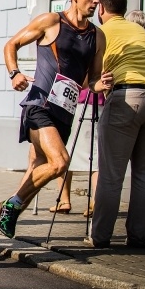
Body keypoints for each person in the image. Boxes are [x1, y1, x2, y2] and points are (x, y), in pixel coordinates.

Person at [0, 0, 110, 260]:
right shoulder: (51, 22)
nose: (96, 1)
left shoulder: (98, 36)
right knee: (60, 163)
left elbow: (89, 81)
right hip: (39, 105)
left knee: (34, 178)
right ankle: (10, 206)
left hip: (65, 113)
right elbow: (11, 45)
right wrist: (14, 73)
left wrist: (100, 84)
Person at [90, 0, 145, 248]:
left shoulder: (102, 32)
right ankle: (138, 236)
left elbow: (94, 72)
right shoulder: (138, 30)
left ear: (101, 9)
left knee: (111, 175)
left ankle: (100, 237)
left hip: (125, 98)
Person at [47, 88, 101, 217]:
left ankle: (65, 201)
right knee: (93, 153)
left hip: (75, 100)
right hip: (94, 101)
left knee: (64, 150)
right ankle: (96, 202)